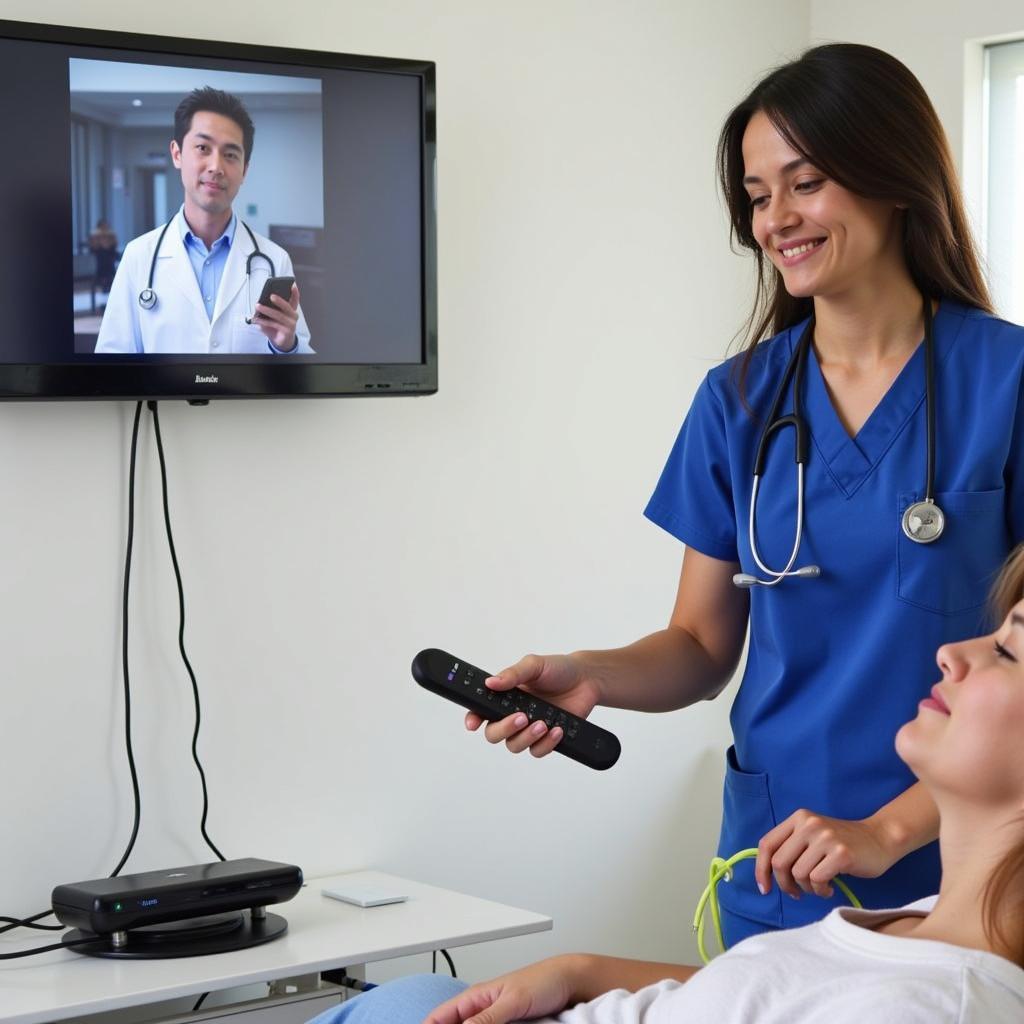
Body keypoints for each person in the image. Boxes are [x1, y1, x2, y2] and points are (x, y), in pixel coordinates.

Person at [456, 42, 1024, 945]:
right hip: (781, 857)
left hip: (970, 870)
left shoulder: (1008, 382)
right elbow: (699, 644)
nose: (775, 221)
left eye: (804, 184)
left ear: (891, 174)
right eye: (758, 197)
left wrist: (888, 830)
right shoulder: (740, 400)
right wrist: (592, 676)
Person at [307, 545, 1024, 1023]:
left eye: (1008, 648)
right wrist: (579, 970)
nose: (953, 652)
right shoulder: (930, 928)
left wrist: (887, 830)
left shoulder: (937, 1000)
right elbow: (770, 997)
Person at [94, 86, 312, 355]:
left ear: (244, 170)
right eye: (202, 147)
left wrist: (287, 345)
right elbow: (111, 361)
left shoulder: (274, 260)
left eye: (230, 154)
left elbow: (303, 367)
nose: (216, 167)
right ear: (177, 154)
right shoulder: (138, 256)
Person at [87, 218, 119, 297]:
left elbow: (114, 245)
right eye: (103, 226)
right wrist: (101, 240)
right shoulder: (95, 235)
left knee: (107, 255)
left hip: (109, 258)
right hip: (100, 258)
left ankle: (106, 280)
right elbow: (93, 247)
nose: (104, 228)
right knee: (103, 255)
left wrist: (106, 242)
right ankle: (107, 280)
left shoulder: (111, 235)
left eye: (106, 226)